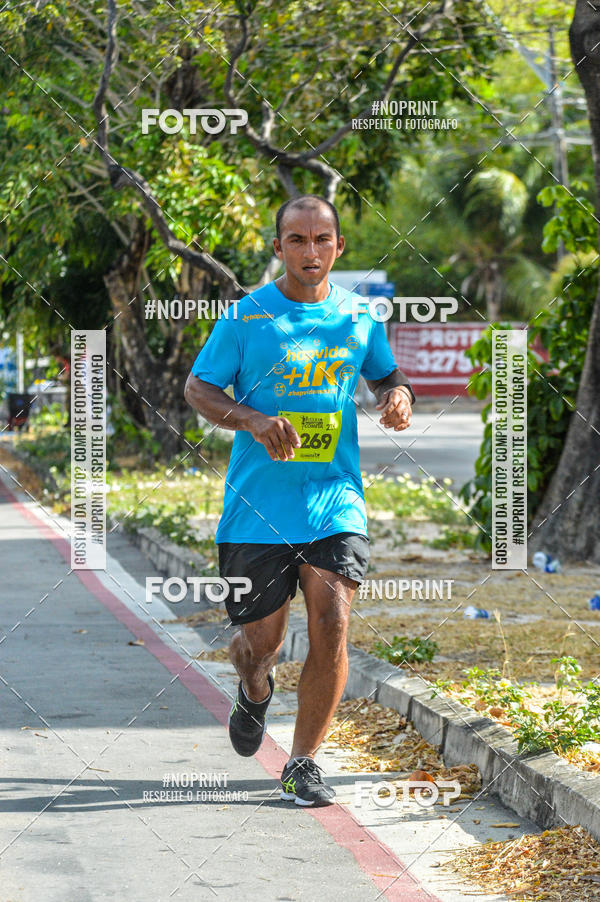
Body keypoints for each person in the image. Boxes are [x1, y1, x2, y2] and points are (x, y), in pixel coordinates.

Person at [184, 194, 415, 807]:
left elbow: (387, 375)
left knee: (332, 625)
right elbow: (198, 387)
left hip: (335, 501)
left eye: (321, 240)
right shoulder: (246, 317)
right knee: (260, 645)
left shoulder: (360, 317)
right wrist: (255, 421)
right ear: (279, 247)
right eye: (296, 240)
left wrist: (399, 397)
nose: (310, 252)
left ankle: (305, 761)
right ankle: (255, 688)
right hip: (257, 509)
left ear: (339, 247)